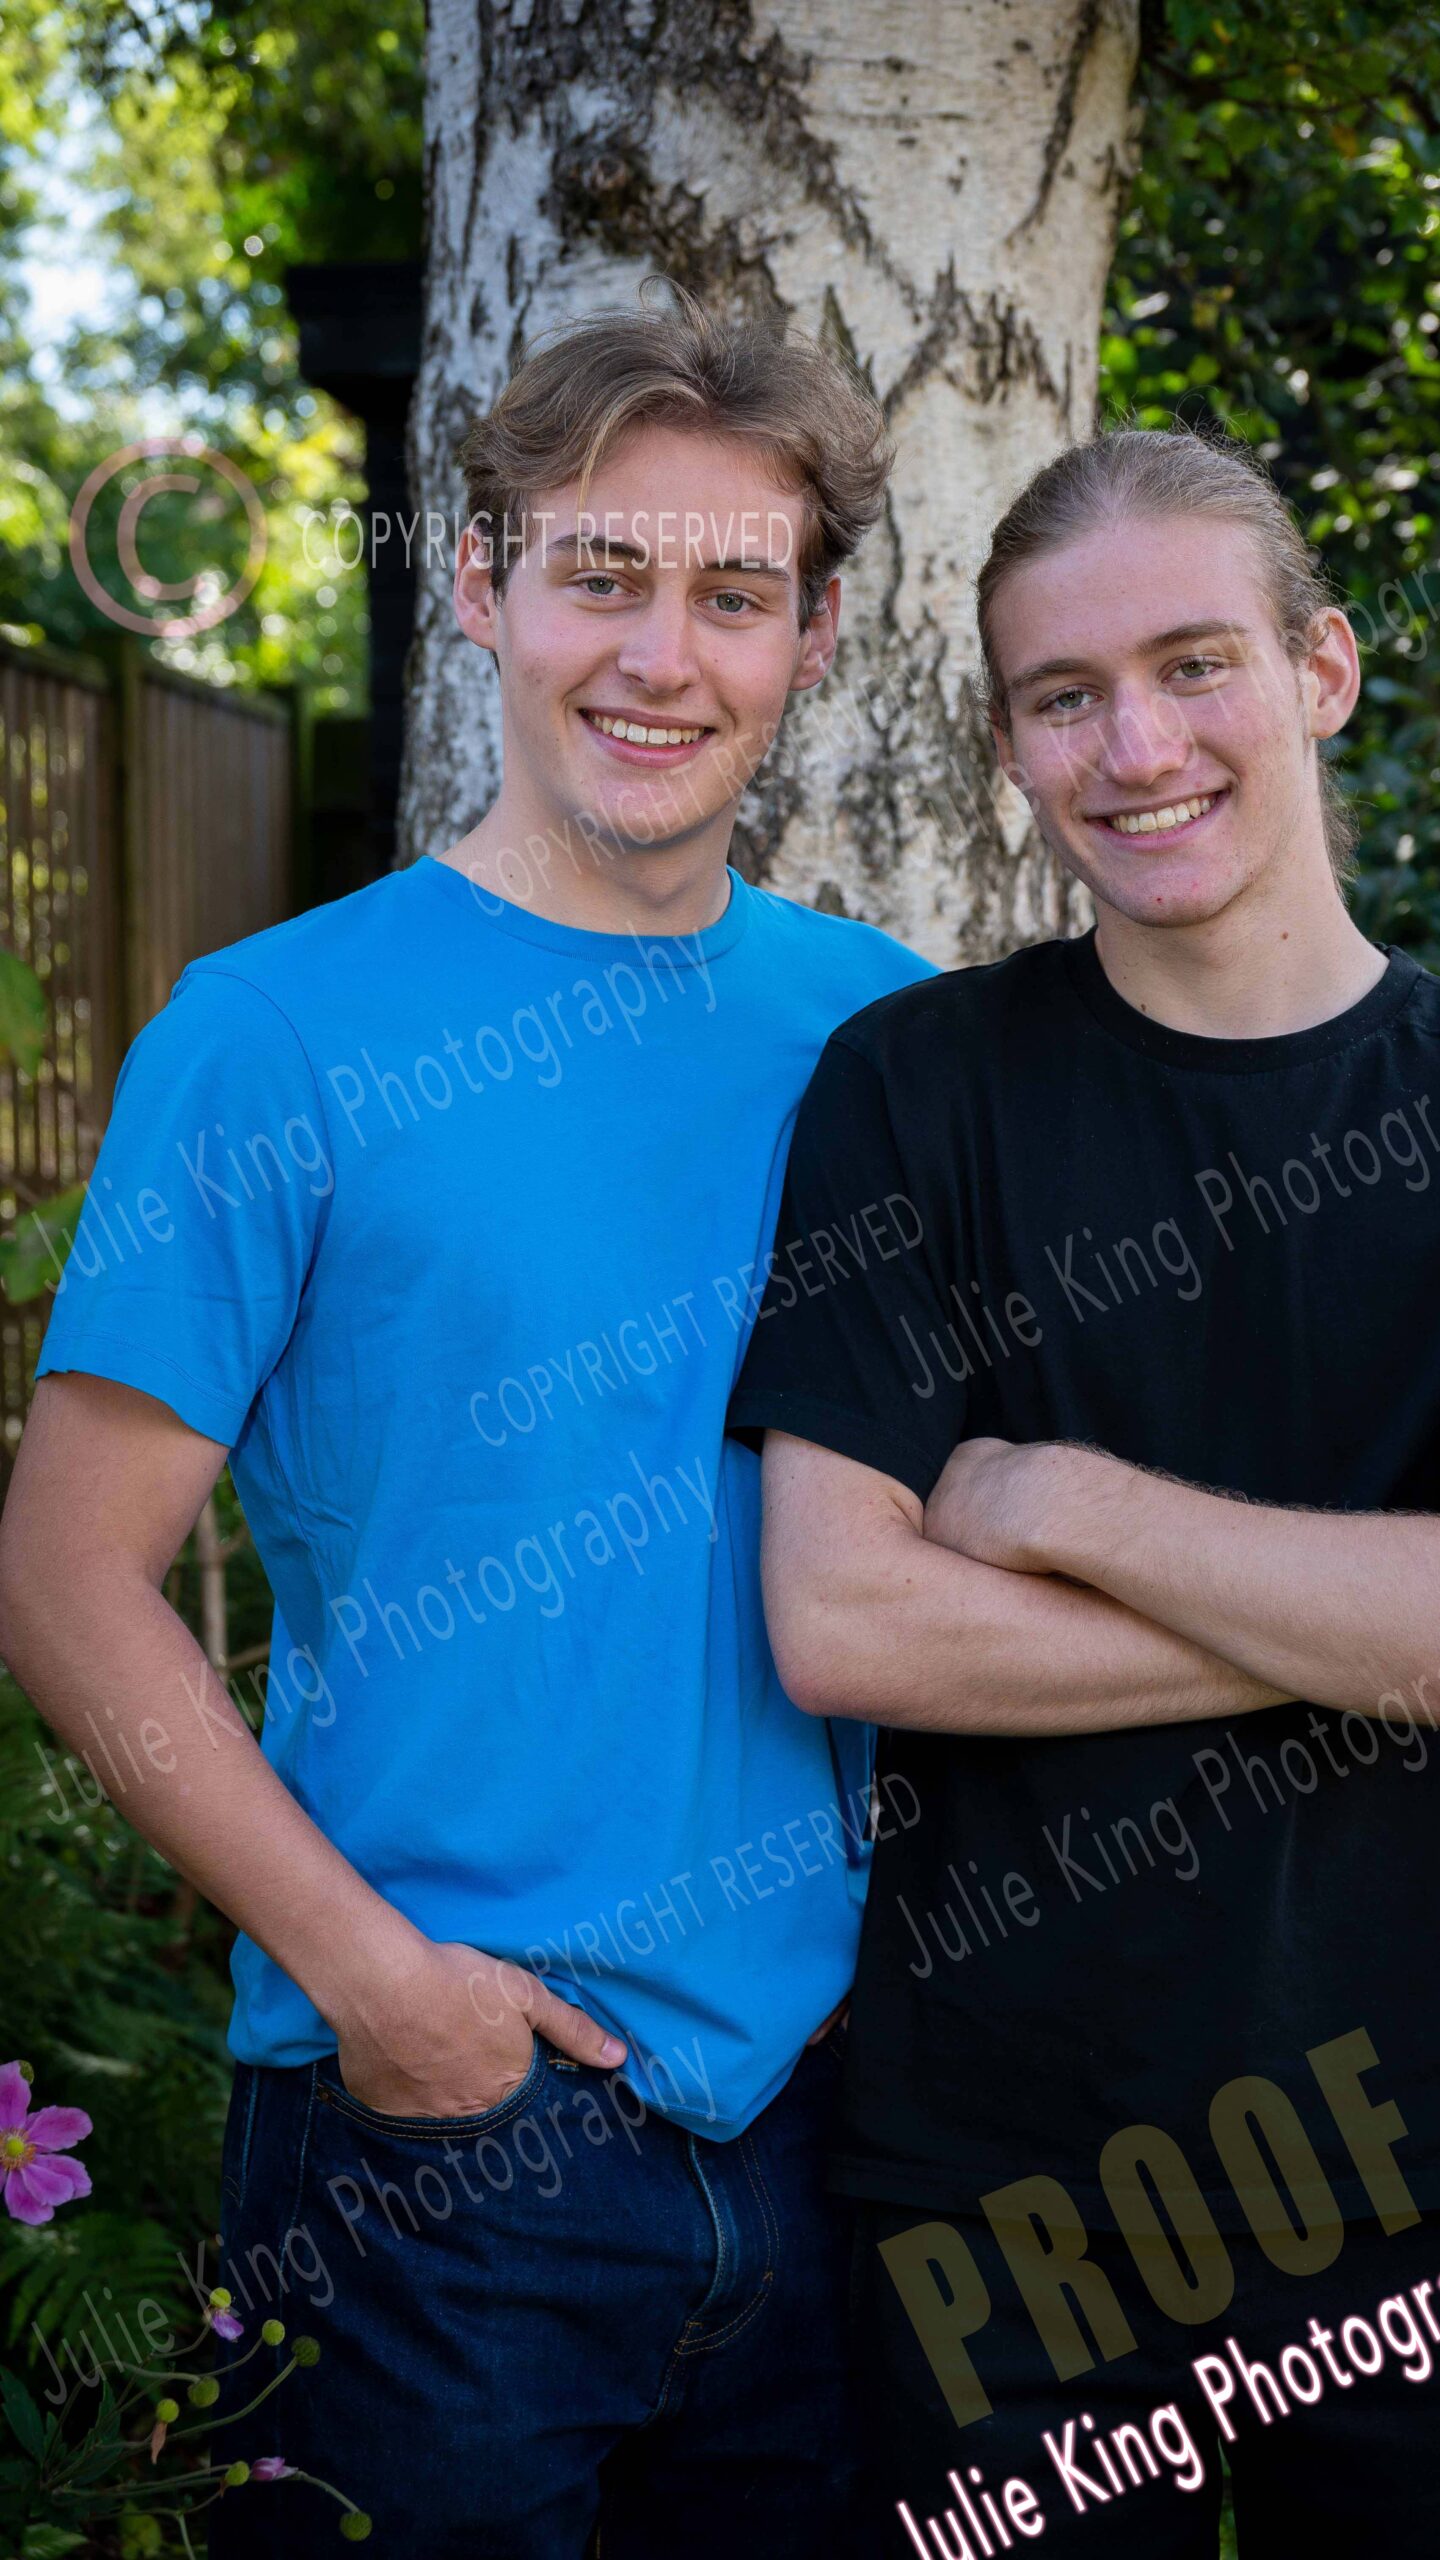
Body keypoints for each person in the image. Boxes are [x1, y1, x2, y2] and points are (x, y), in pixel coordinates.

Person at [0, 291, 932, 2558]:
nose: (661, 656)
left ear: (814, 638)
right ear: (484, 584)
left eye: (734, 595)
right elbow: (63, 1576)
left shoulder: (893, 1034)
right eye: (602, 574)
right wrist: (377, 1985)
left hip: (833, 2130)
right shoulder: (272, 1034)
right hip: (433, 2155)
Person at [726, 425, 1440, 2556]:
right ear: (1009, 745)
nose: (1137, 746)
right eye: (1065, 696)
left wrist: (1070, 1499)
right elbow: (845, 1619)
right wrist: (1389, 1624)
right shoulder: (915, 1087)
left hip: (1426, 2171)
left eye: (1193, 665)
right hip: (1000, 2198)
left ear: (1322, 669)